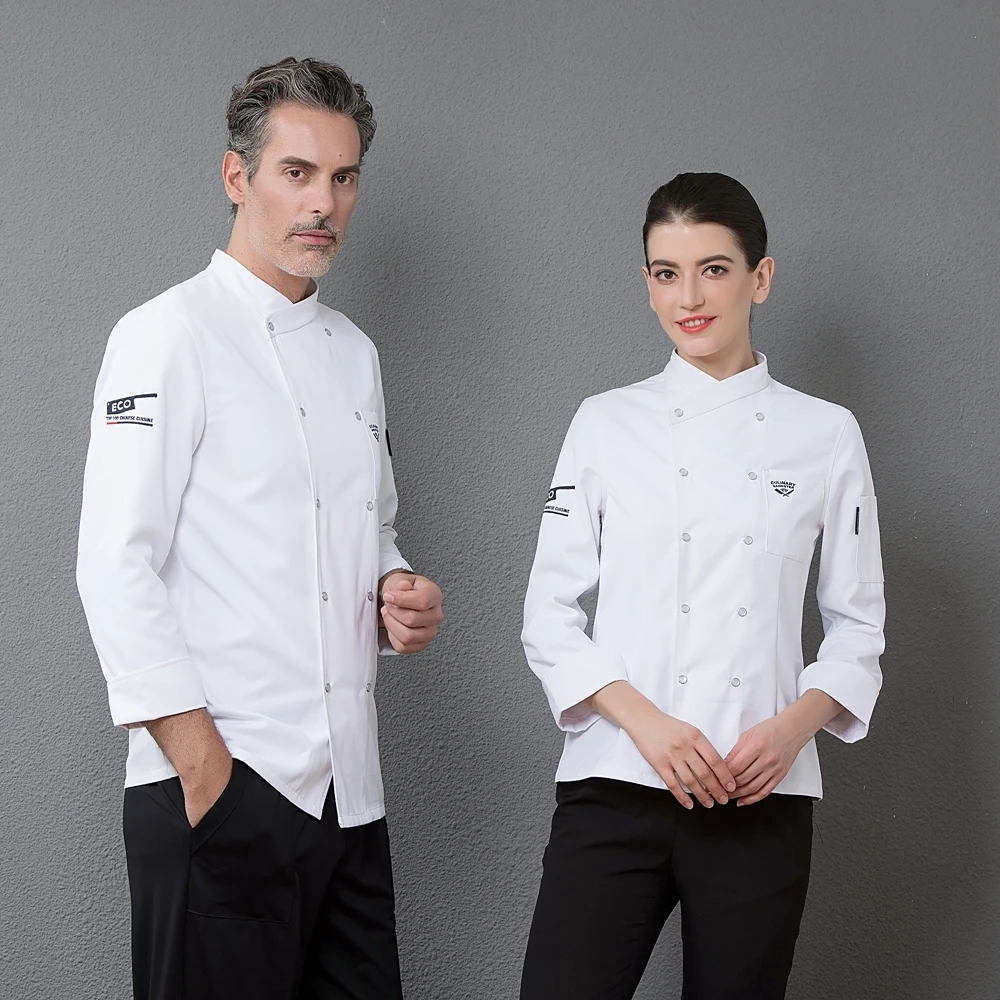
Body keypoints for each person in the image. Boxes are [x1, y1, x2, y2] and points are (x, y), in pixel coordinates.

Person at [76, 57, 444, 1000]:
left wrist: (391, 591)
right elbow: (114, 563)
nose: (324, 202)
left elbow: (370, 530)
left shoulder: (356, 355)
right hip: (224, 789)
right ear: (237, 177)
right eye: (297, 172)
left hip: (349, 800)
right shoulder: (165, 335)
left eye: (344, 177)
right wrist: (205, 769)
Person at [518, 172, 885, 999]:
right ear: (647, 283)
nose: (689, 297)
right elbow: (548, 614)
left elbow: (859, 626)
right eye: (666, 272)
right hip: (617, 780)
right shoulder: (604, 422)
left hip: (761, 792)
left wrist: (791, 731)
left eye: (714, 269)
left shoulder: (827, 434)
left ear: (761, 277)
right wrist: (647, 724)